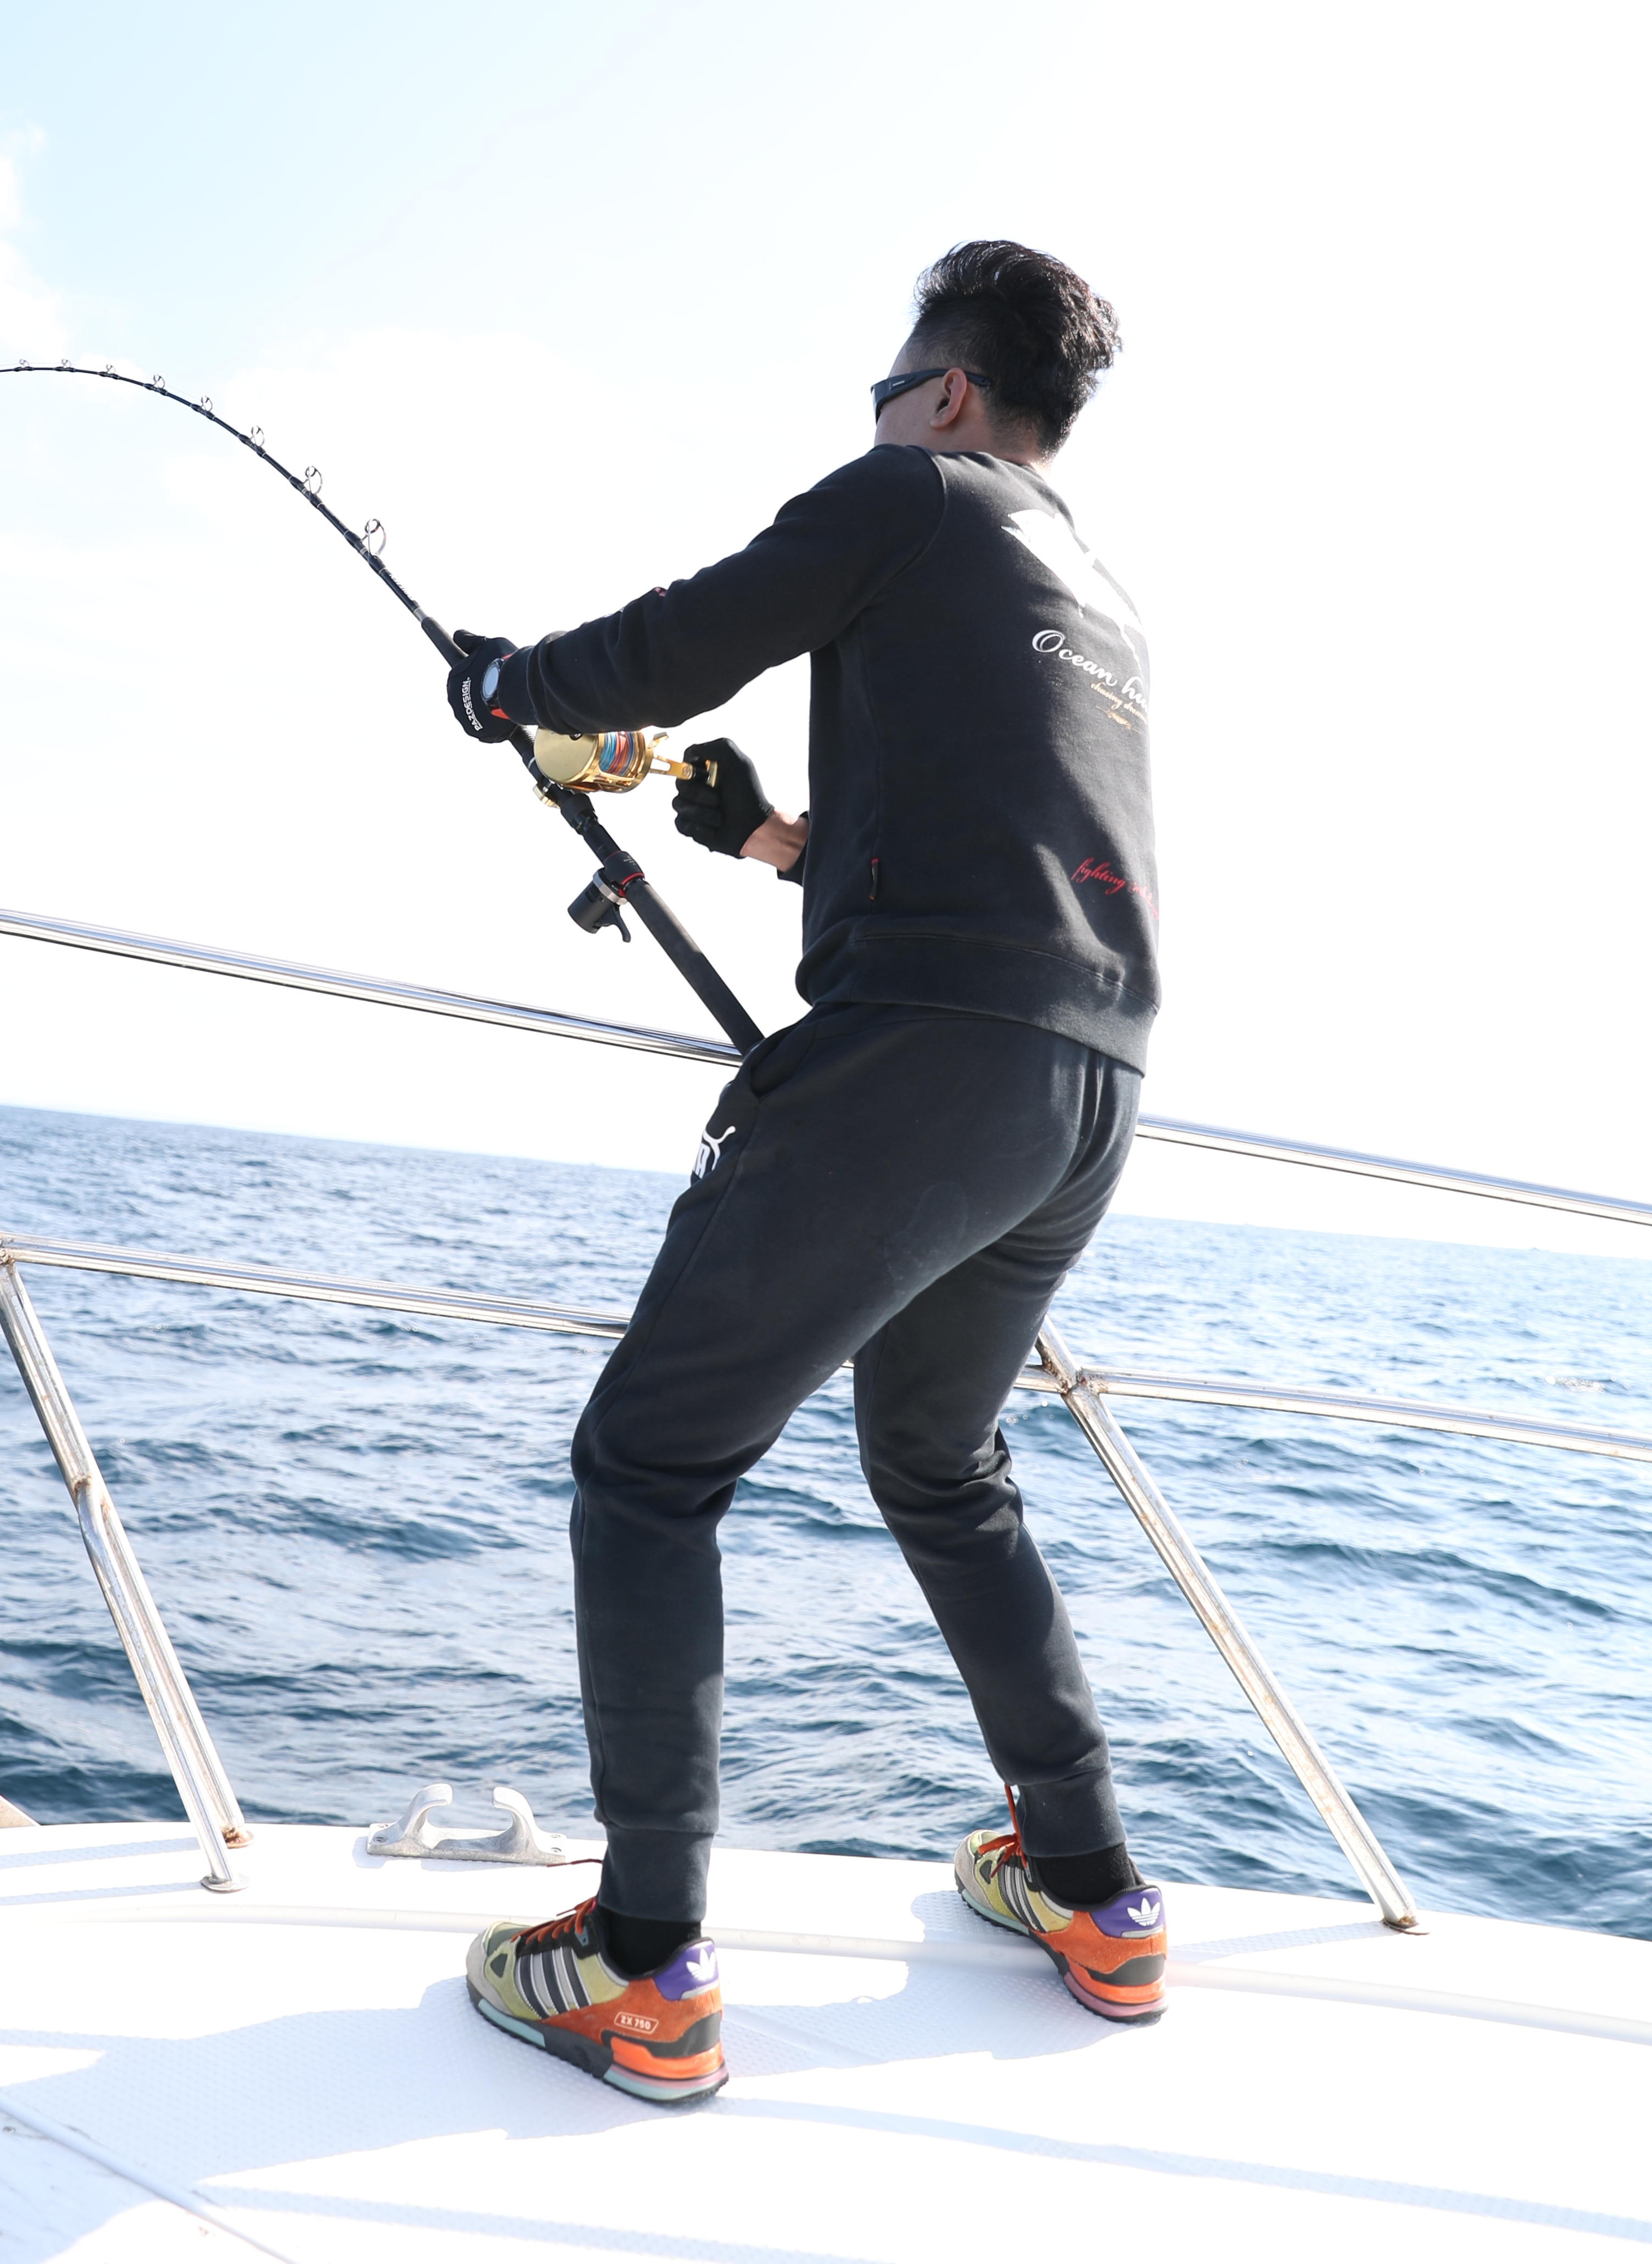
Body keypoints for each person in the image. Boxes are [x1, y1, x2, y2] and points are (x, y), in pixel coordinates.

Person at [444, 238, 1163, 2105]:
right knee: (939, 1462)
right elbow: (990, 846)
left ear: (946, 391)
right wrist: (769, 838)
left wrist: (511, 683)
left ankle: (640, 1969)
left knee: (649, 1464)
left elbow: (685, 638)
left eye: (887, 385)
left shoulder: (913, 492)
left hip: (924, 1069)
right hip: (1086, 1090)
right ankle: (1094, 1892)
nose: (877, 411)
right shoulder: (1096, 592)